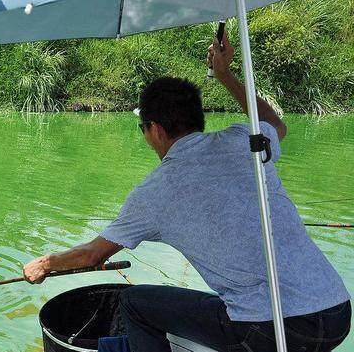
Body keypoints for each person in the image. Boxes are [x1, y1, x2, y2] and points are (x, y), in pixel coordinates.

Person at [23, 31, 351, 352]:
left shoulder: (153, 193)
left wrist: (46, 264)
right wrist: (226, 76)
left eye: (143, 129)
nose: (145, 136)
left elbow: (91, 255)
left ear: (156, 129)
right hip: (335, 312)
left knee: (135, 303)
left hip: (272, 330)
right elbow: (278, 125)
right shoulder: (243, 142)